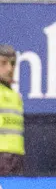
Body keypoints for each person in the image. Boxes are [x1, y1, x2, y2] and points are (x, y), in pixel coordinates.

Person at [0, 45, 24, 176]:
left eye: (13, 63)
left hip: (16, 157)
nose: (10, 68)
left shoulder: (15, 96)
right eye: (3, 63)